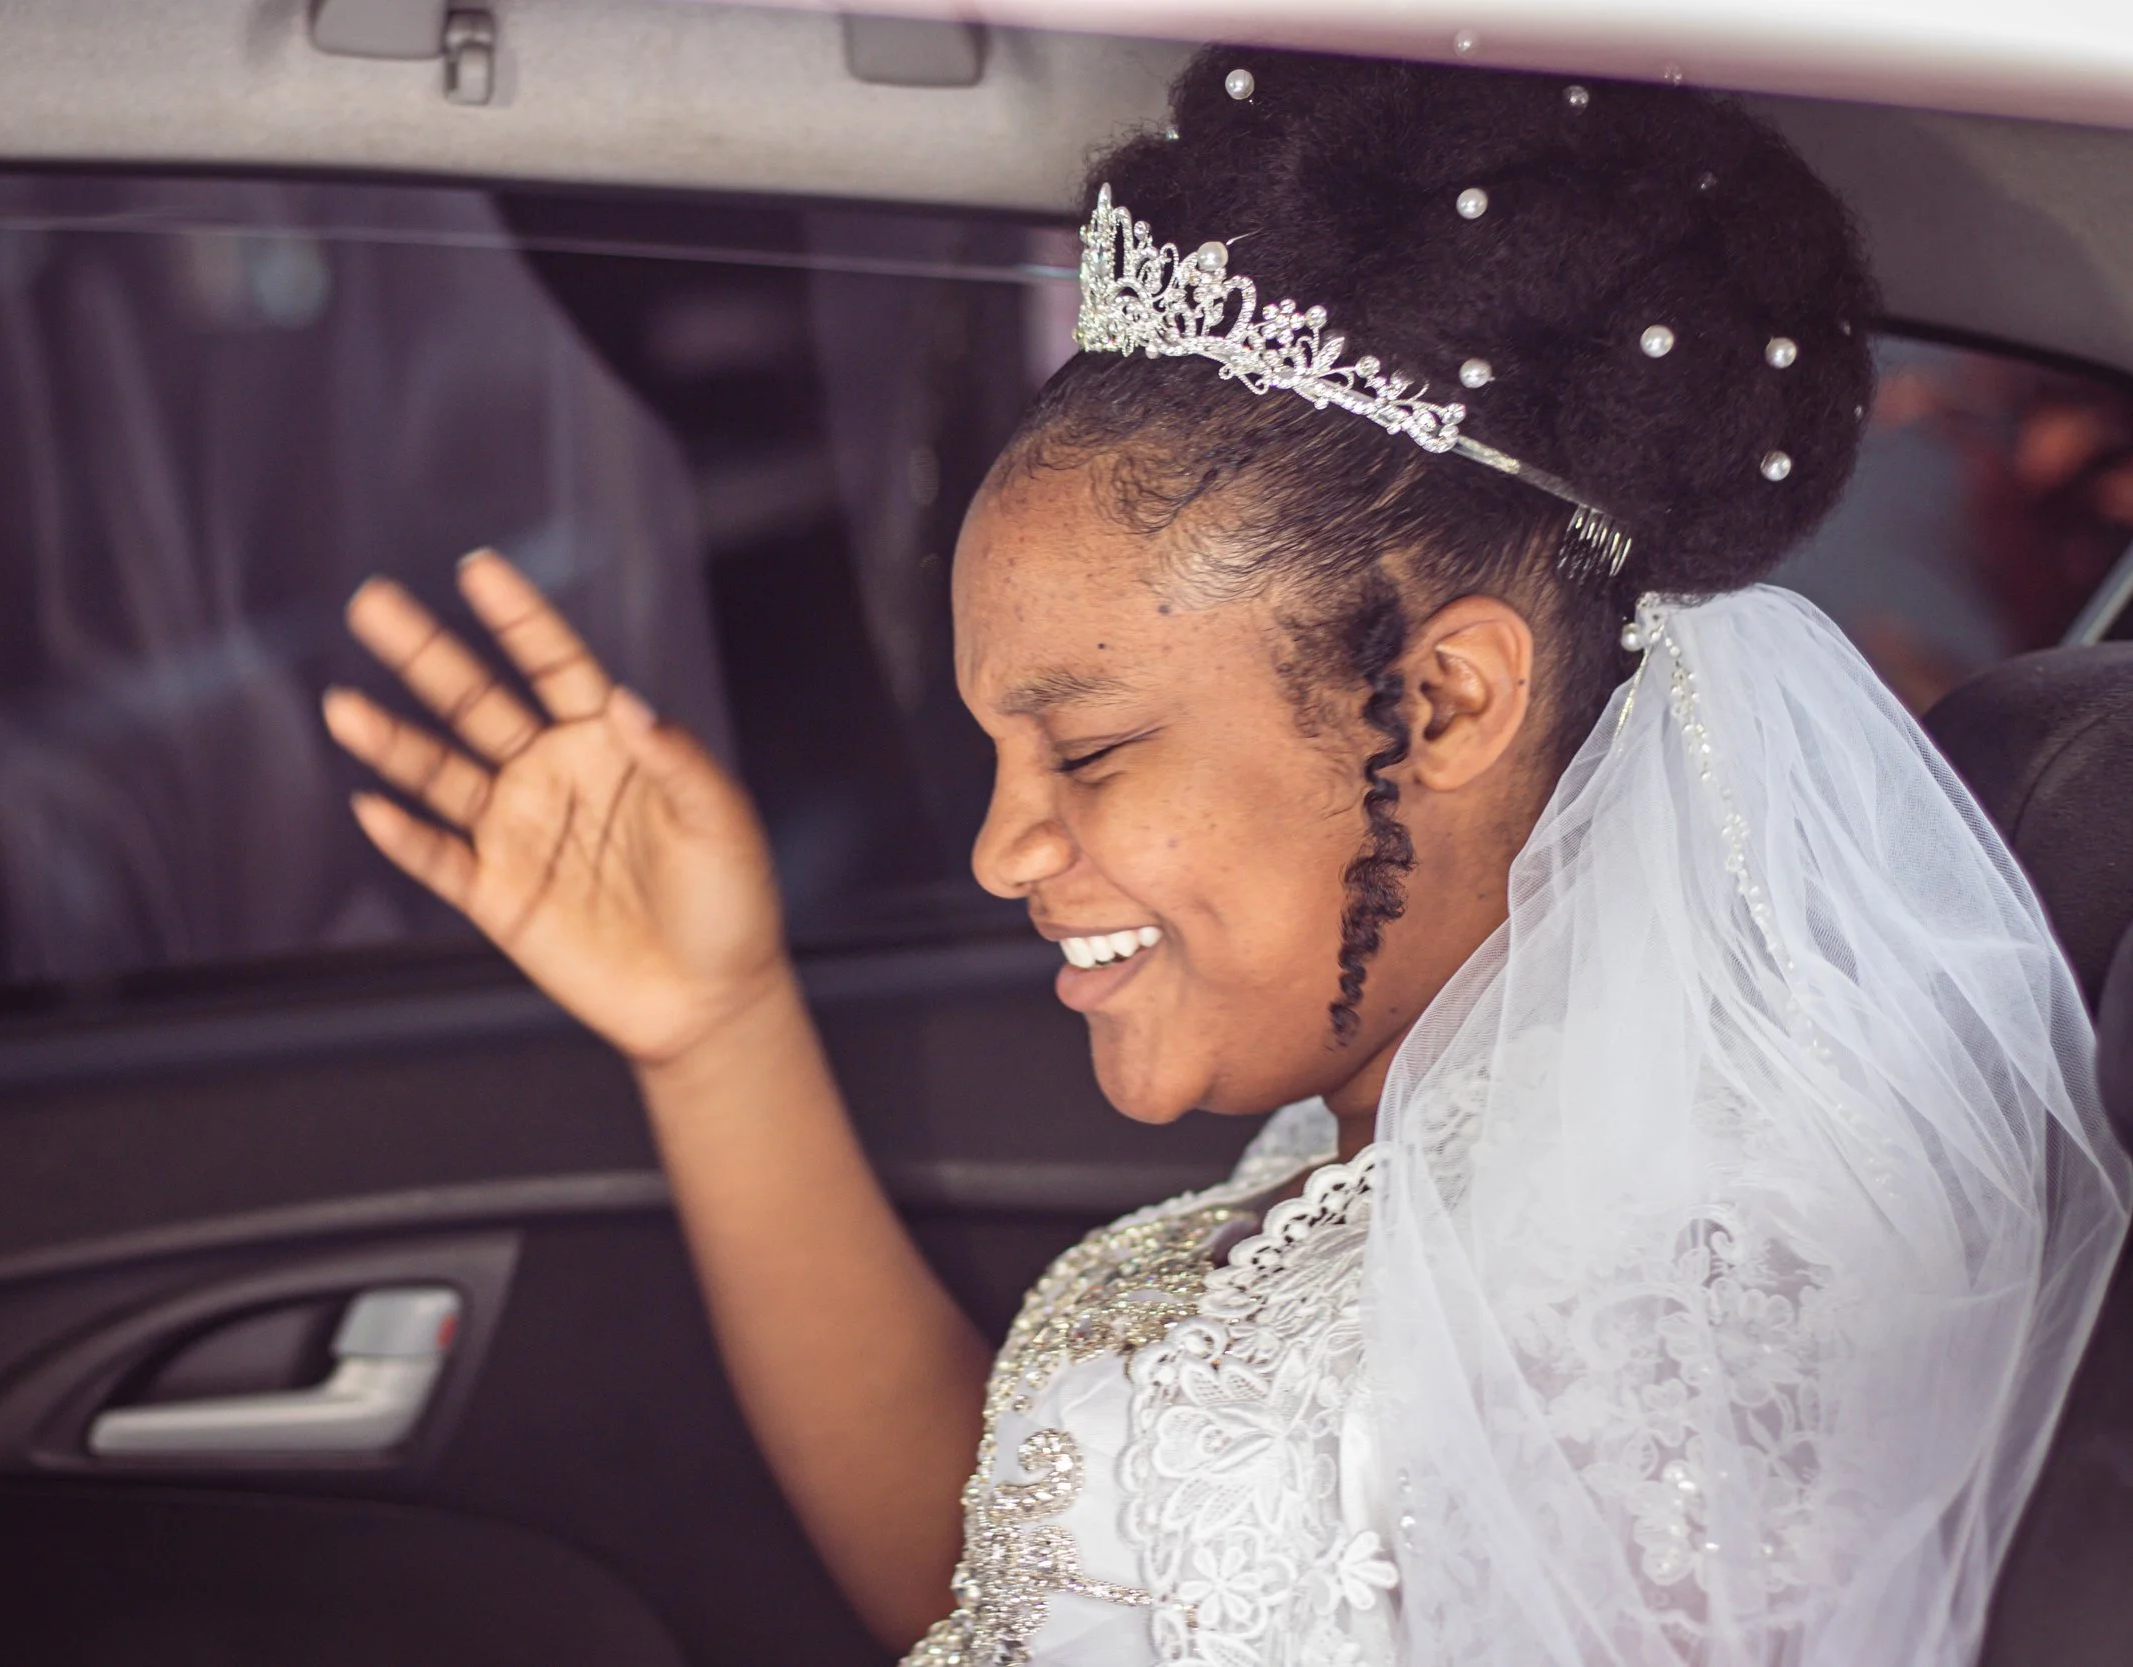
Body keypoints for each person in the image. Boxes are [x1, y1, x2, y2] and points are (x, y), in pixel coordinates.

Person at [320, 47, 2129, 1667]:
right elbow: (1040, 1590)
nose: (1004, 845)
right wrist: (714, 1027)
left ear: (1438, 699)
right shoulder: (1440, 1131)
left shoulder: (1663, 1320)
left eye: (1090, 747)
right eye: (997, 750)